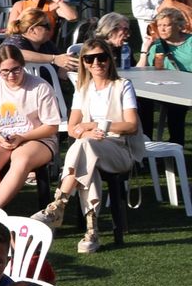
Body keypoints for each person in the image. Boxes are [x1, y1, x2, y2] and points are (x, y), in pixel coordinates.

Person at [33, 37, 141, 253]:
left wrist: (94, 125)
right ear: (83, 62)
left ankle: (59, 204)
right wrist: (87, 131)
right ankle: (91, 231)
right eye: (89, 59)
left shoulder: (122, 86)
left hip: (120, 149)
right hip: (92, 149)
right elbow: (72, 127)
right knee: (88, 158)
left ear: (109, 59)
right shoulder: (84, 89)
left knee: (84, 146)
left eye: (101, 57)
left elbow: (131, 126)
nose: (96, 63)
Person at [0, 45, 62, 210]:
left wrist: (23, 137)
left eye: (16, 70)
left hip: (37, 137)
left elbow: (51, 126)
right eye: (5, 71)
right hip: (2, 136)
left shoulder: (40, 87)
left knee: (21, 158)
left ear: (23, 66)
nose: (11, 75)